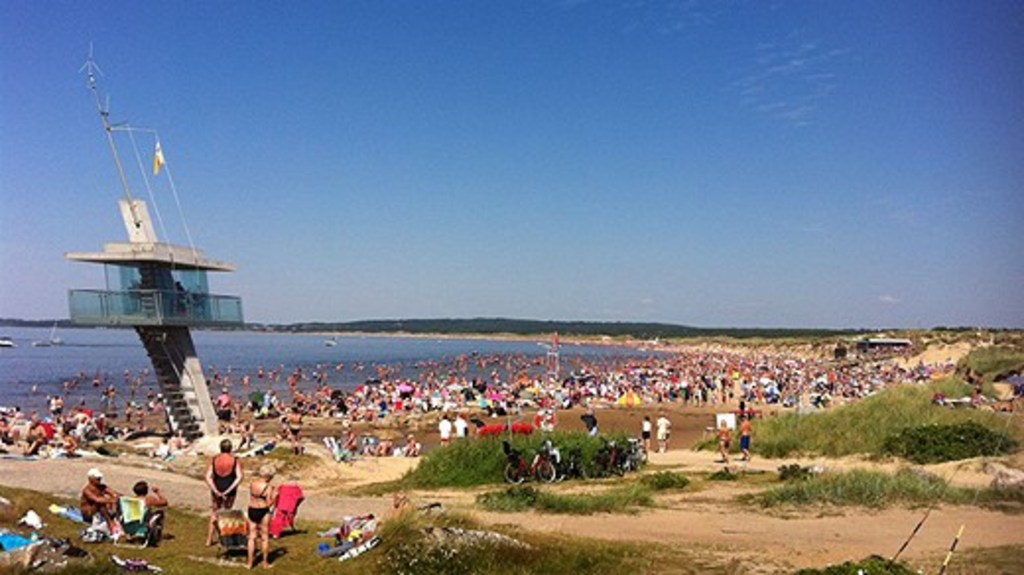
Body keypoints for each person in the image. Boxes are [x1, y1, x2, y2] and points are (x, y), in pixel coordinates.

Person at [206, 438, 243, 546]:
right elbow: (239, 477)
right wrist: (229, 490)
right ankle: (225, 538)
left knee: (214, 513)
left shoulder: (215, 459)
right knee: (227, 513)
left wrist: (215, 490)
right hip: (229, 488)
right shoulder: (234, 460)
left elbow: (208, 476)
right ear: (230, 448)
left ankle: (209, 539)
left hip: (217, 486)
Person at [246, 464, 277, 570]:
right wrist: (276, 497)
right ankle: (265, 563)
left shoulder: (252, 483)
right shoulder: (269, 487)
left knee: (252, 537)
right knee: (264, 537)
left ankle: (249, 563)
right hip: (263, 510)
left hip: (252, 508)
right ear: (269, 476)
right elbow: (269, 504)